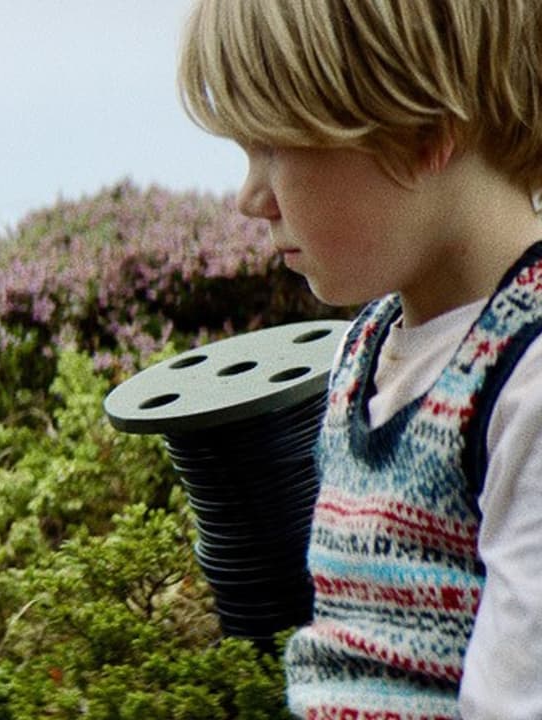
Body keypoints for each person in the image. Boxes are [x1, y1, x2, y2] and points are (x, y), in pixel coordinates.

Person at [178, 0, 542, 717]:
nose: (250, 198)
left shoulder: (524, 379)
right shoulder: (367, 349)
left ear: (422, 132)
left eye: (272, 146)